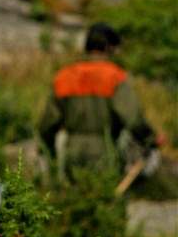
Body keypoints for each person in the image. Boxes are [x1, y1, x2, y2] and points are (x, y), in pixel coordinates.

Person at [38, 22, 162, 181]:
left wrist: (50, 154)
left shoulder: (65, 76)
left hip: (71, 154)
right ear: (109, 48)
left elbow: (47, 125)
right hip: (105, 152)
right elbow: (133, 119)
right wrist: (150, 139)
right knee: (105, 200)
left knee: (73, 199)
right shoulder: (115, 77)